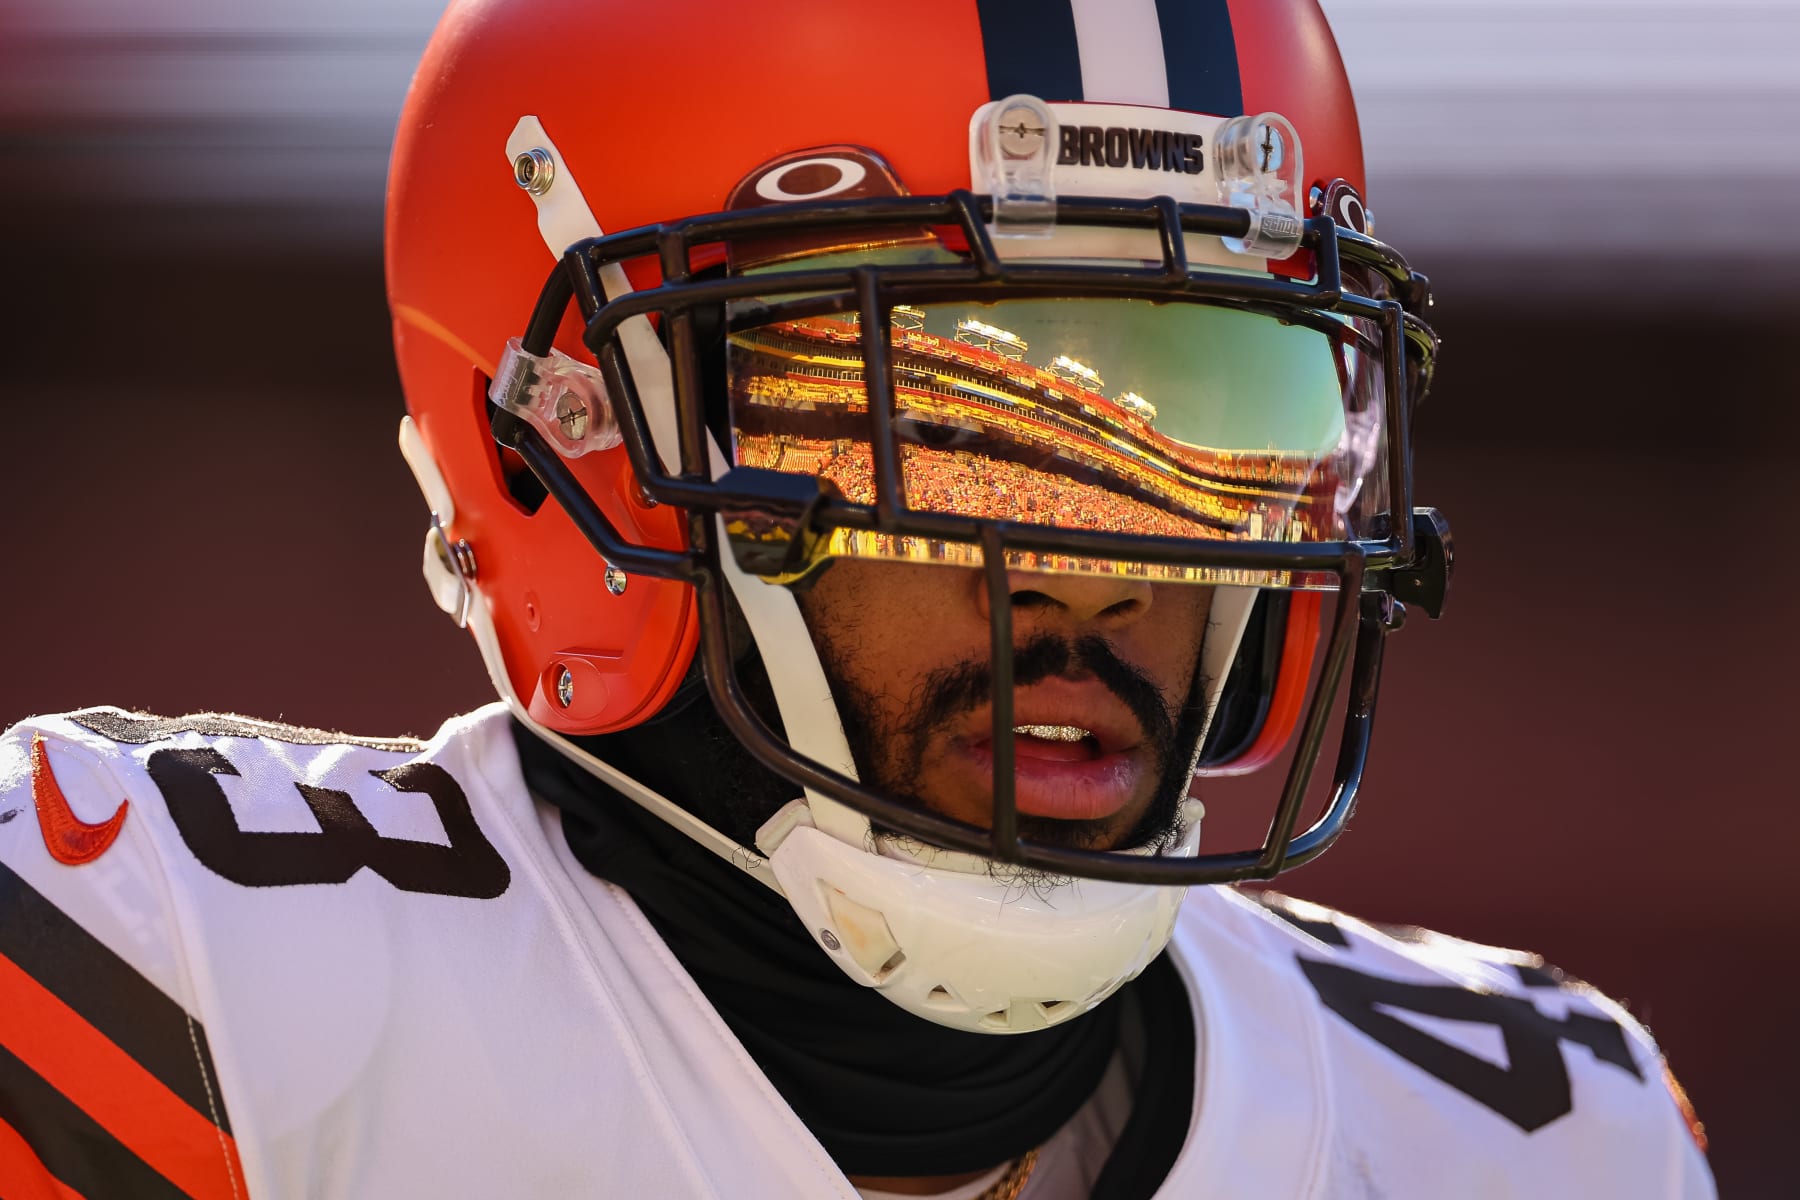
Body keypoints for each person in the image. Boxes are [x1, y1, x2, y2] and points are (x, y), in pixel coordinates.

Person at [0, 1, 1714, 1196]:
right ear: (567, 448)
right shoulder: (168, 993)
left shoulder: (1538, 1138)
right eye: (947, 426)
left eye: (1219, 417)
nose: (1112, 566)